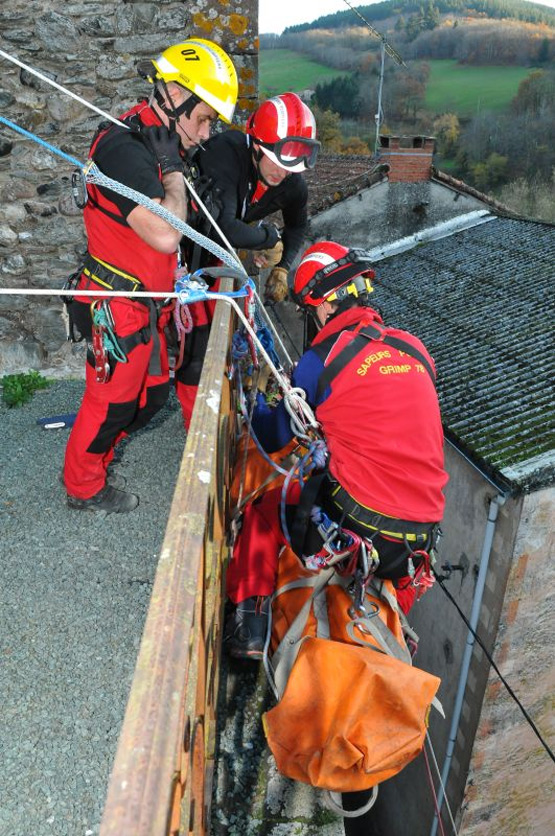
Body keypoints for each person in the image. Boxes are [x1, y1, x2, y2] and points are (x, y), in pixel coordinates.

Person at [224, 240, 448, 659]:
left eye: (311, 311)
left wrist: (253, 407)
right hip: (419, 542)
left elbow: (273, 436)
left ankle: (248, 625)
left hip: (360, 528)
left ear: (325, 305)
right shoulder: (416, 351)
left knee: (264, 512)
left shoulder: (323, 359)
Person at [63, 39, 238, 513]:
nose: (205, 133)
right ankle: (83, 486)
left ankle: (101, 449)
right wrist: (174, 173)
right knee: (112, 404)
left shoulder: (155, 145)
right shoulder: (122, 148)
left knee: (153, 396)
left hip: (149, 303)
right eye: (203, 117)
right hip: (117, 308)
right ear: (175, 95)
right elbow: (165, 233)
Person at [174, 91, 320, 427]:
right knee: (196, 346)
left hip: (217, 255)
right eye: (278, 163)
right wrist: (268, 238)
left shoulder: (289, 181)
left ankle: (208, 413)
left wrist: (283, 268)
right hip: (186, 249)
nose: (283, 174)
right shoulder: (226, 154)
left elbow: (299, 225)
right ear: (255, 146)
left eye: (292, 168)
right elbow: (222, 226)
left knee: (214, 341)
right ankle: (195, 423)